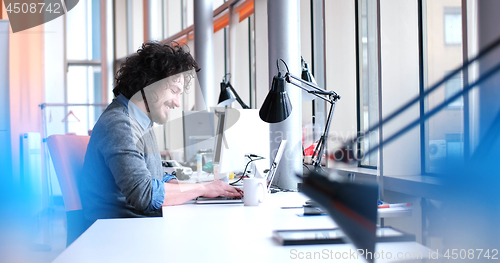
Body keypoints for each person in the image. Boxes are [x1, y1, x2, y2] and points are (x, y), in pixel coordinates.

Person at [81, 42, 242, 222]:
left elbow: (155, 178)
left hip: (133, 224)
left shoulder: (140, 121)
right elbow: (145, 195)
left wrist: (205, 186)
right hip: (119, 231)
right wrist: (203, 189)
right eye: (174, 91)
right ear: (150, 84)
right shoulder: (120, 124)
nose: (177, 103)